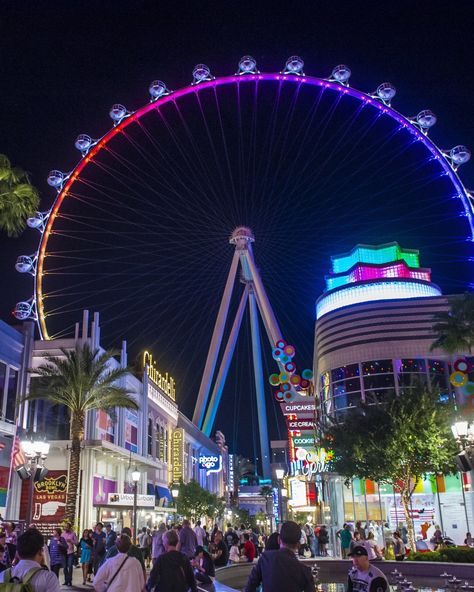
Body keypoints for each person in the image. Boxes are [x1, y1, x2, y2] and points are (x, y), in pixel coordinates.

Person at [244, 521, 314, 592]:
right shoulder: (304, 571)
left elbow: (250, 587)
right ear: (298, 545)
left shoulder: (265, 559)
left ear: (279, 540)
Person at [62, 521, 78, 586]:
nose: (66, 528)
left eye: (67, 527)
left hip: (70, 552)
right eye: (65, 527)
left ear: (70, 527)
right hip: (64, 553)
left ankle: (70, 580)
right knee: (65, 567)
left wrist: (71, 541)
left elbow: (77, 543)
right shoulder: (62, 534)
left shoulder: (73, 534)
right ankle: (66, 580)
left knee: (70, 566)